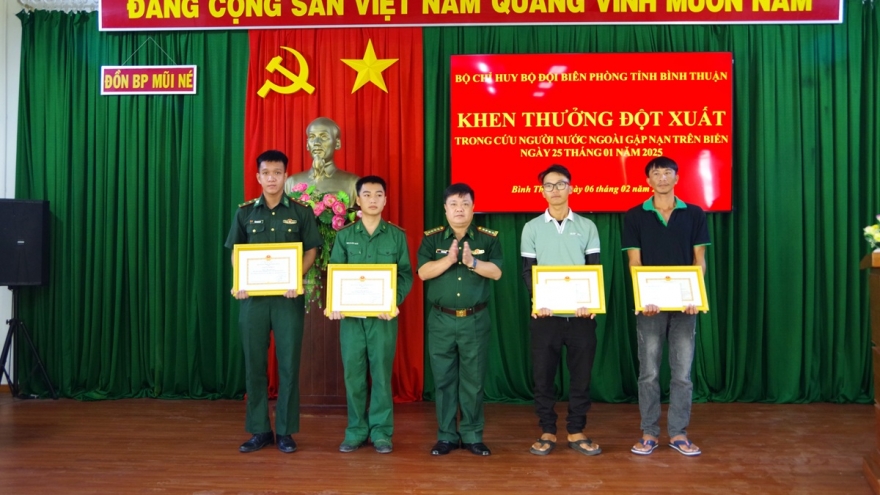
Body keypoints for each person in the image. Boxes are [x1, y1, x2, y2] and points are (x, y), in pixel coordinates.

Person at [225, 149, 322, 454]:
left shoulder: (301, 212)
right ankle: (260, 430)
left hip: (286, 300)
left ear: (285, 176)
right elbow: (236, 251)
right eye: (266, 173)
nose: (271, 178)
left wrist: (295, 276)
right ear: (258, 176)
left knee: (289, 365)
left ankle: (285, 431)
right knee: (254, 365)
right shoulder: (245, 213)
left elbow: (311, 250)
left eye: (277, 173)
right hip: (253, 301)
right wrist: (240, 280)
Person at [622, 155, 710, 457]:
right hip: (650, 307)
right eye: (656, 173)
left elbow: (699, 260)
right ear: (648, 180)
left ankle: (678, 433)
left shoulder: (694, 214)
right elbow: (635, 262)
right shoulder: (634, 216)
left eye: (667, 173)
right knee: (648, 372)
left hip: (686, 307)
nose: (662, 178)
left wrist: (694, 296)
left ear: (677, 178)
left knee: (682, 373)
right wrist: (643, 297)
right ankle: (649, 433)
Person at [325, 175, 414, 454]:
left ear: (385, 200)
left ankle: (381, 432)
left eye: (378, 195)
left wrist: (393, 301)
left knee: (381, 375)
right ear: (358, 199)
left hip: (382, 319)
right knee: (353, 375)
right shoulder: (345, 235)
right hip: (351, 320)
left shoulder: (396, 236)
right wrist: (335, 302)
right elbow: (335, 273)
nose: (373, 199)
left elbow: (405, 275)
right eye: (367, 194)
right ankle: (355, 430)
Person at [520, 164, 603, 457]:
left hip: (581, 316)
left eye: (560, 184)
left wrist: (590, 303)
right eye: (549, 185)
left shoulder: (587, 226)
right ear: (542, 191)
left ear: (570, 188)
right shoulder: (531, 228)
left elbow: (593, 269)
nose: (554, 190)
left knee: (581, 377)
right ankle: (547, 430)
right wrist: (538, 300)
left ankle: (577, 430)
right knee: (543, 377)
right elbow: (528, 271)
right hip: (545, 316)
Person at [417, 183, 502, 456]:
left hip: (474, 320)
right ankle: (446, 436)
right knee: (443, 380)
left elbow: (497, 272)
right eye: (453, 204)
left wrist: (472, 262)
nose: (459, 209)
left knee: (473, 381)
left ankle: (472, 435)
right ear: (445, 209)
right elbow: (422, 272)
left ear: (473, 208)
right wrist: (449, 260)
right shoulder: (432, 239)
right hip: (441, 320)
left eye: (465, 204)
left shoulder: (488, 239)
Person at [284, 117, 359, 205]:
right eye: (312, 137)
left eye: (324, 137)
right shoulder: (291, 182)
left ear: (337, 143)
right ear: (307, 144)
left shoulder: (352, 183)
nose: (316, 142)